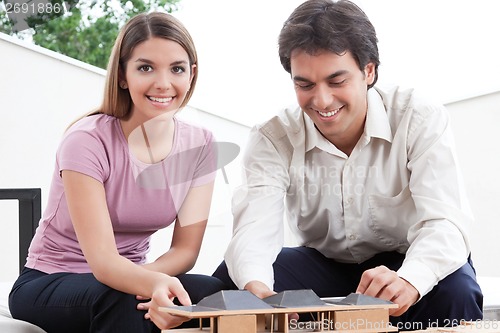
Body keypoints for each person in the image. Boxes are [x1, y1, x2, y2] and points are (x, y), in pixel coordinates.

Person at [213, 0, 483, 330]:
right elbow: (253, 232)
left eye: (336, 81)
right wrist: (260, 295)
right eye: (305, 85)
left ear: (369, 71)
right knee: (232, 281)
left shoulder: (418, 117)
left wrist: (411, 280)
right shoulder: (273, 138)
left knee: (456, 289)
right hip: (324, 263)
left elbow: (445, 222)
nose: (322, 101)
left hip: (407, 258)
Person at [9, 12, 226, 333]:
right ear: (123, 75)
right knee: (122, 298)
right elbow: (103, 261)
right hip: (50, 281)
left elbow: (185, 250)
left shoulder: (201, 144)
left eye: (177, 69)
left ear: (191, 75)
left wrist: (153, 283)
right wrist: (148, 284)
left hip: (130, 278)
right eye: (145, 67)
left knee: (213, 292)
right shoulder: (86, 140)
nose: (163, 83)